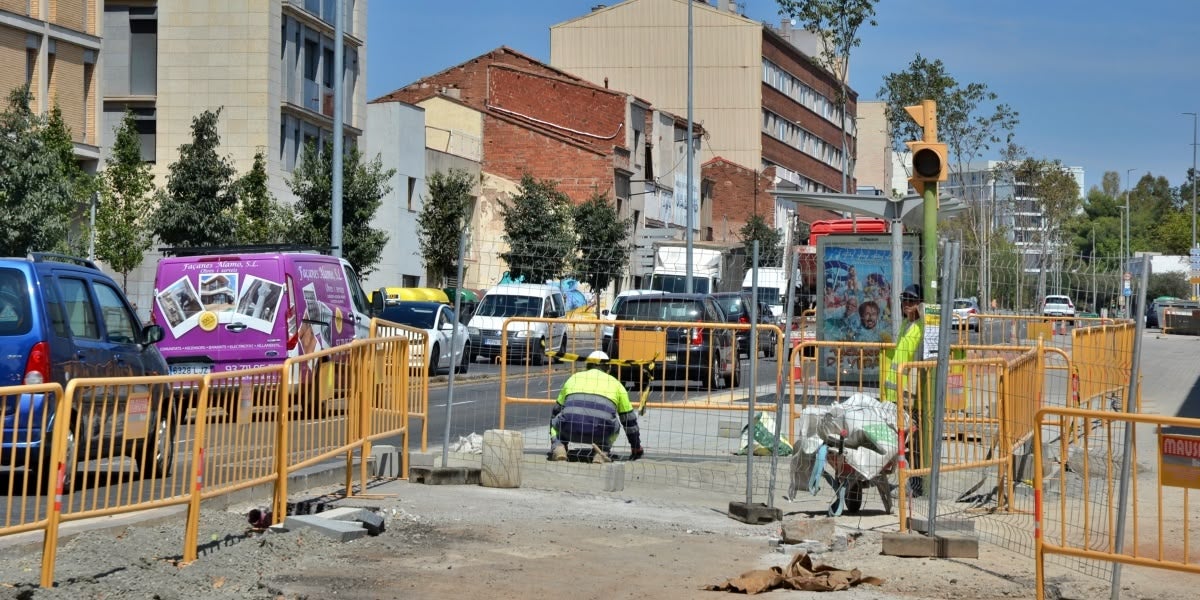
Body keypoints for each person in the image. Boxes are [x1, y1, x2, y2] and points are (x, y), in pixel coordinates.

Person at [549, 350, 644, 463]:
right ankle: (602, 451)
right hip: (601, 432)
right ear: (608, 368)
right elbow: (629, 421)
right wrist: (636, 446)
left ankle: (559, 447)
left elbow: (556, 410)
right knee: (616, 425)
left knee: (556, 420)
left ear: (587, 366)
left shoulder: (573, 378)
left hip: (569, 430)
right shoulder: (616, 384)